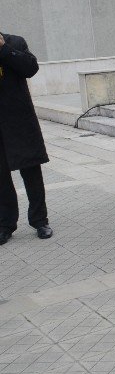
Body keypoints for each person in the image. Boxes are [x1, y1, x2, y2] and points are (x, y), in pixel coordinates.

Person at [0, 31, 52, 245]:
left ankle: (40, 221)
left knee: (31, 172)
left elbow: (31, 68)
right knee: (1, 178)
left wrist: (4, 49)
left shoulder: (15, 42)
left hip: (19, 121)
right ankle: (5, 224)